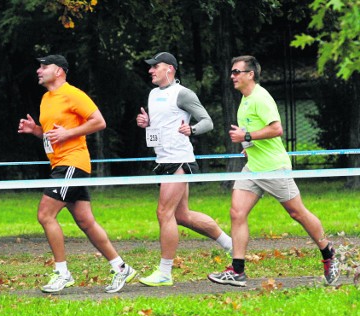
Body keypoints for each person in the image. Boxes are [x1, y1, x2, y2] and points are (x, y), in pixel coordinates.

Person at [208, 55, 340, 287]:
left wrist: (246, 136)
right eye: (232, 72)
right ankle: (237, 270)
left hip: (273, 167)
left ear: (251, 74)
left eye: (237, 72)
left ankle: (328, 253)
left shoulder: (261, 97)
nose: (232, 76)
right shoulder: (245, 99)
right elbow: (253, 131)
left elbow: (277, 129)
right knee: (237, 212)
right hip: (254, 168)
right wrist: (248, 147)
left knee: (297, 213)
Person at [18, 54, 136, 294]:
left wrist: (69, 134)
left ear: (59, 71)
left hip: (72, 163)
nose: (39, 70)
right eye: (38, 66)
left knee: (45, 214)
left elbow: (99, 121)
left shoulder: (73, 94)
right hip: (60, 163)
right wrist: (36, 131)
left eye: (44, 66)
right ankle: (121, 267)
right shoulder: (46, 98)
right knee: (86, 221)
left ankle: (62, 273)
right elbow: (54, 134)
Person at [135, 52, 233, 287]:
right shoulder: (152, 94)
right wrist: (147, 124)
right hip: (162, 160)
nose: (150, 71)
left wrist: (192, 130)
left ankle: (165, 272)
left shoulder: (183, 93)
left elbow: (207, 121)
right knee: (182, 216)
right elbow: (162, 124)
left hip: (179, 160)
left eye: (154, 67)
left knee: (163, 213)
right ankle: (232, 245)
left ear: (169, 69)